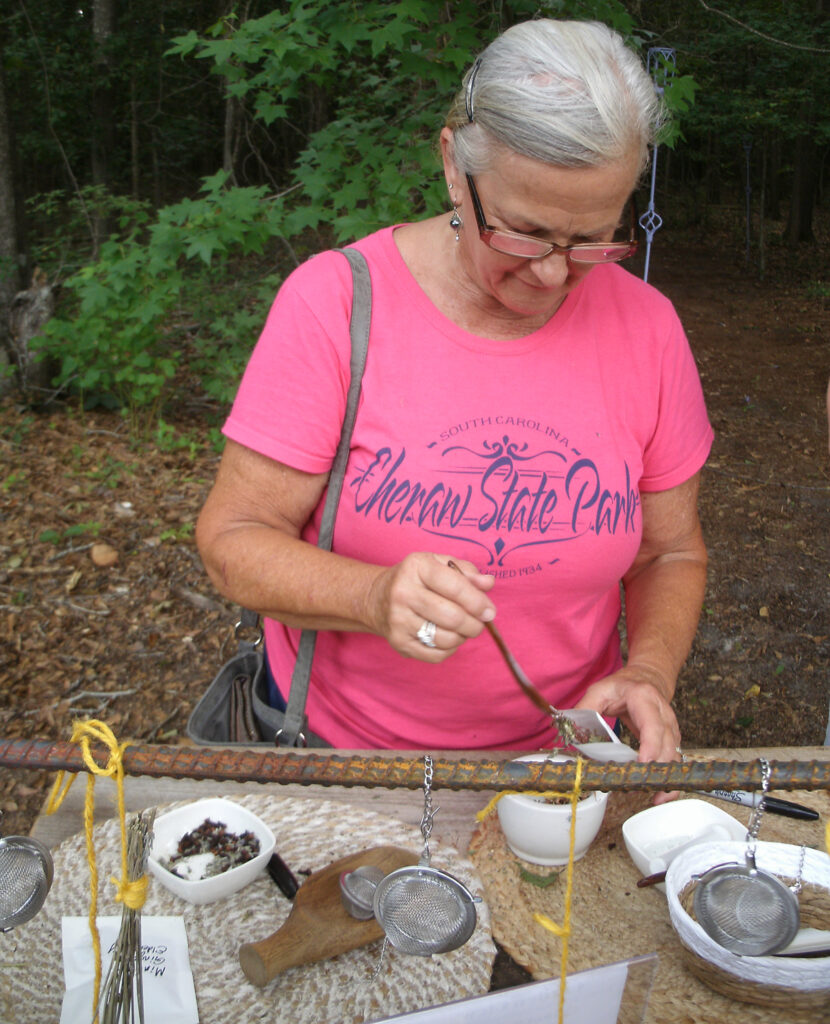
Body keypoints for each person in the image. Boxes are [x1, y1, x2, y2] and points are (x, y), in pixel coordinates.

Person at [196, 19, 713, 764]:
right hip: (345, 762)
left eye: (591, 239)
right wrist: (371, 597)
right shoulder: (337, 306)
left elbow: (670, 554)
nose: (552, 273)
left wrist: (650, 671)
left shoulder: (648, 329)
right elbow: (233, 540)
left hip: (562, 769)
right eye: (522, 232)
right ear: (452, 166)